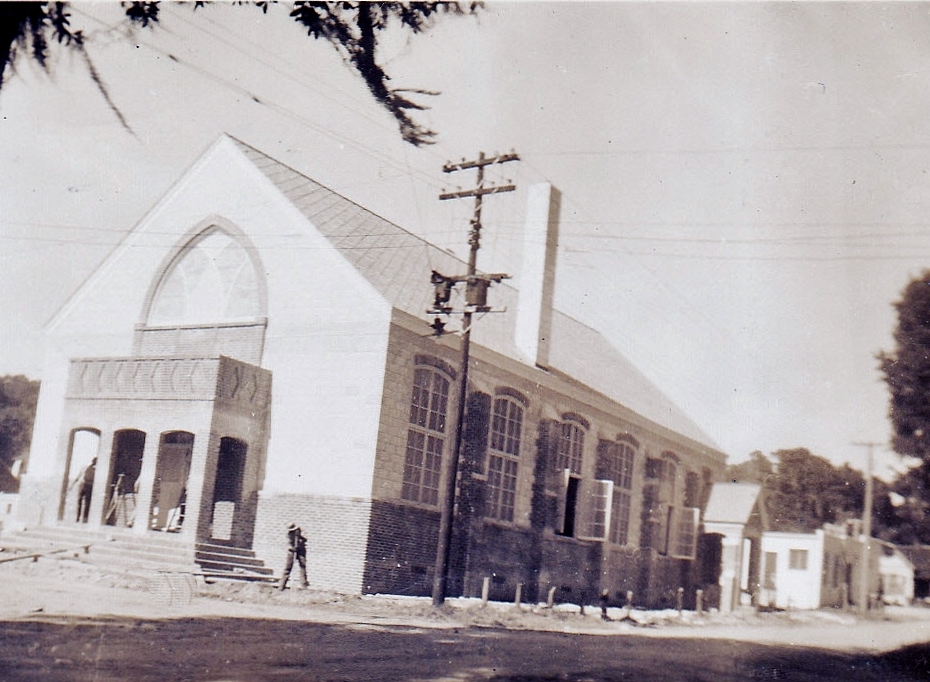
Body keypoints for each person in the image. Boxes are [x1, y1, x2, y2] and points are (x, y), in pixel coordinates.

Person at [279, 522, 309, 591]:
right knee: (288, 568)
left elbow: (306, 539)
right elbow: (288, 544)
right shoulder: (288, 534)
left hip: (301, 551)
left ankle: (304, 586)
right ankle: (281, 586)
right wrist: (292, 548)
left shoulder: (300, 531)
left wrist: (300, 537)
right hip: (292, 551)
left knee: (302, 567)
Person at [72, 458, 96, 523]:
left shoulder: (96, 470)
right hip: (83, 484)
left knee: (87, 503)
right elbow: (78, 476)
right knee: (80, 501)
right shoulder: (85, 468)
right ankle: (78, 517)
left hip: (89, 485)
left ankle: (84, 518)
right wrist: (72, 485)